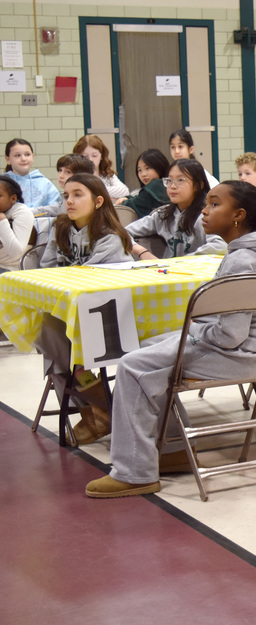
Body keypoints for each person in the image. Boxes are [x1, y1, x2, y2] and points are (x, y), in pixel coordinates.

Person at [84, 182, 256, 498]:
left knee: (133, 366)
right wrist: (194, 331)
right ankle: (174, 448)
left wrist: (193, 330)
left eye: (214, 204)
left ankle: (135, 473)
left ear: (238, 216)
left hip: (236, 357)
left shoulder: (242, 260)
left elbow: (229, 336)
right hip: (248, 352)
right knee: (149, 348)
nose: (204, 211)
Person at [36, 173, 134, 443]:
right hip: (73, 311)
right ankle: (99, 409)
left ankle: (94, 412)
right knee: (44, 329)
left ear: (99, 200)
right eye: (66, 195)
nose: (69, 201)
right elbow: (45, 271)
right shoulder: (61, 229)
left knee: (53, 346)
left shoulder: (110, 237)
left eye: (78, 194)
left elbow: (90, 283)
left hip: (107, 317)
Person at [126, 158, 224, 259]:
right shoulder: (163, 215)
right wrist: (141, 251)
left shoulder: (207, 215)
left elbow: (221, 246)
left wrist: (184, 260)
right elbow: (122, 232)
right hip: (168, 271)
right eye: (169, 180)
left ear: (198, 185)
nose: (172, 186)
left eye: (180, 180)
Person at [4, 138, 61, 209]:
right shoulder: (3, 184)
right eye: (17, 155)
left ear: (32, 157)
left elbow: (56, 207)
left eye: (27, 154)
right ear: (8, 159)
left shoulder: (45, 183)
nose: (23, 159)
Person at [116, 148, 171, 218]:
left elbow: (132, 204)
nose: (143, 174)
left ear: (159, 166)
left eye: (147, 168)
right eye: (139, 170)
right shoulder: (168, 184)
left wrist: (124, 201)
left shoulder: (154, 186)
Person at [73, 134, 130, 199]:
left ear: (101, 156)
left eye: (94, 155)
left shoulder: (106, 174)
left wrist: (95, 190)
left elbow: (124, 191)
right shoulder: (76, 176)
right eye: (85, 156)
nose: (90, 159)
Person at [0, 175, 35, 271]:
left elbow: (16, 253)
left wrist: (2, 220)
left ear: (13, 199)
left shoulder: (22, 212)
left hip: (13, 269)